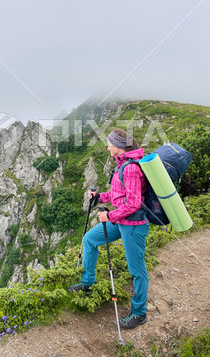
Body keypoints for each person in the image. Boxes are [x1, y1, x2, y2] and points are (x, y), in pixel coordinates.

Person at [68, 127, 149, 330]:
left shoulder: (130, 168)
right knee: (90, 239)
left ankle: (139, 313)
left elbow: (134, 203)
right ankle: (88, 282)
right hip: (121, 222)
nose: (107, 147)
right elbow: (118, 195)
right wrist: (99, 197)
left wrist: (109, 215)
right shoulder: (122, 165)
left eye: (109, 144)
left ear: (119, 147)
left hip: (133, 225)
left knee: (137, 271)